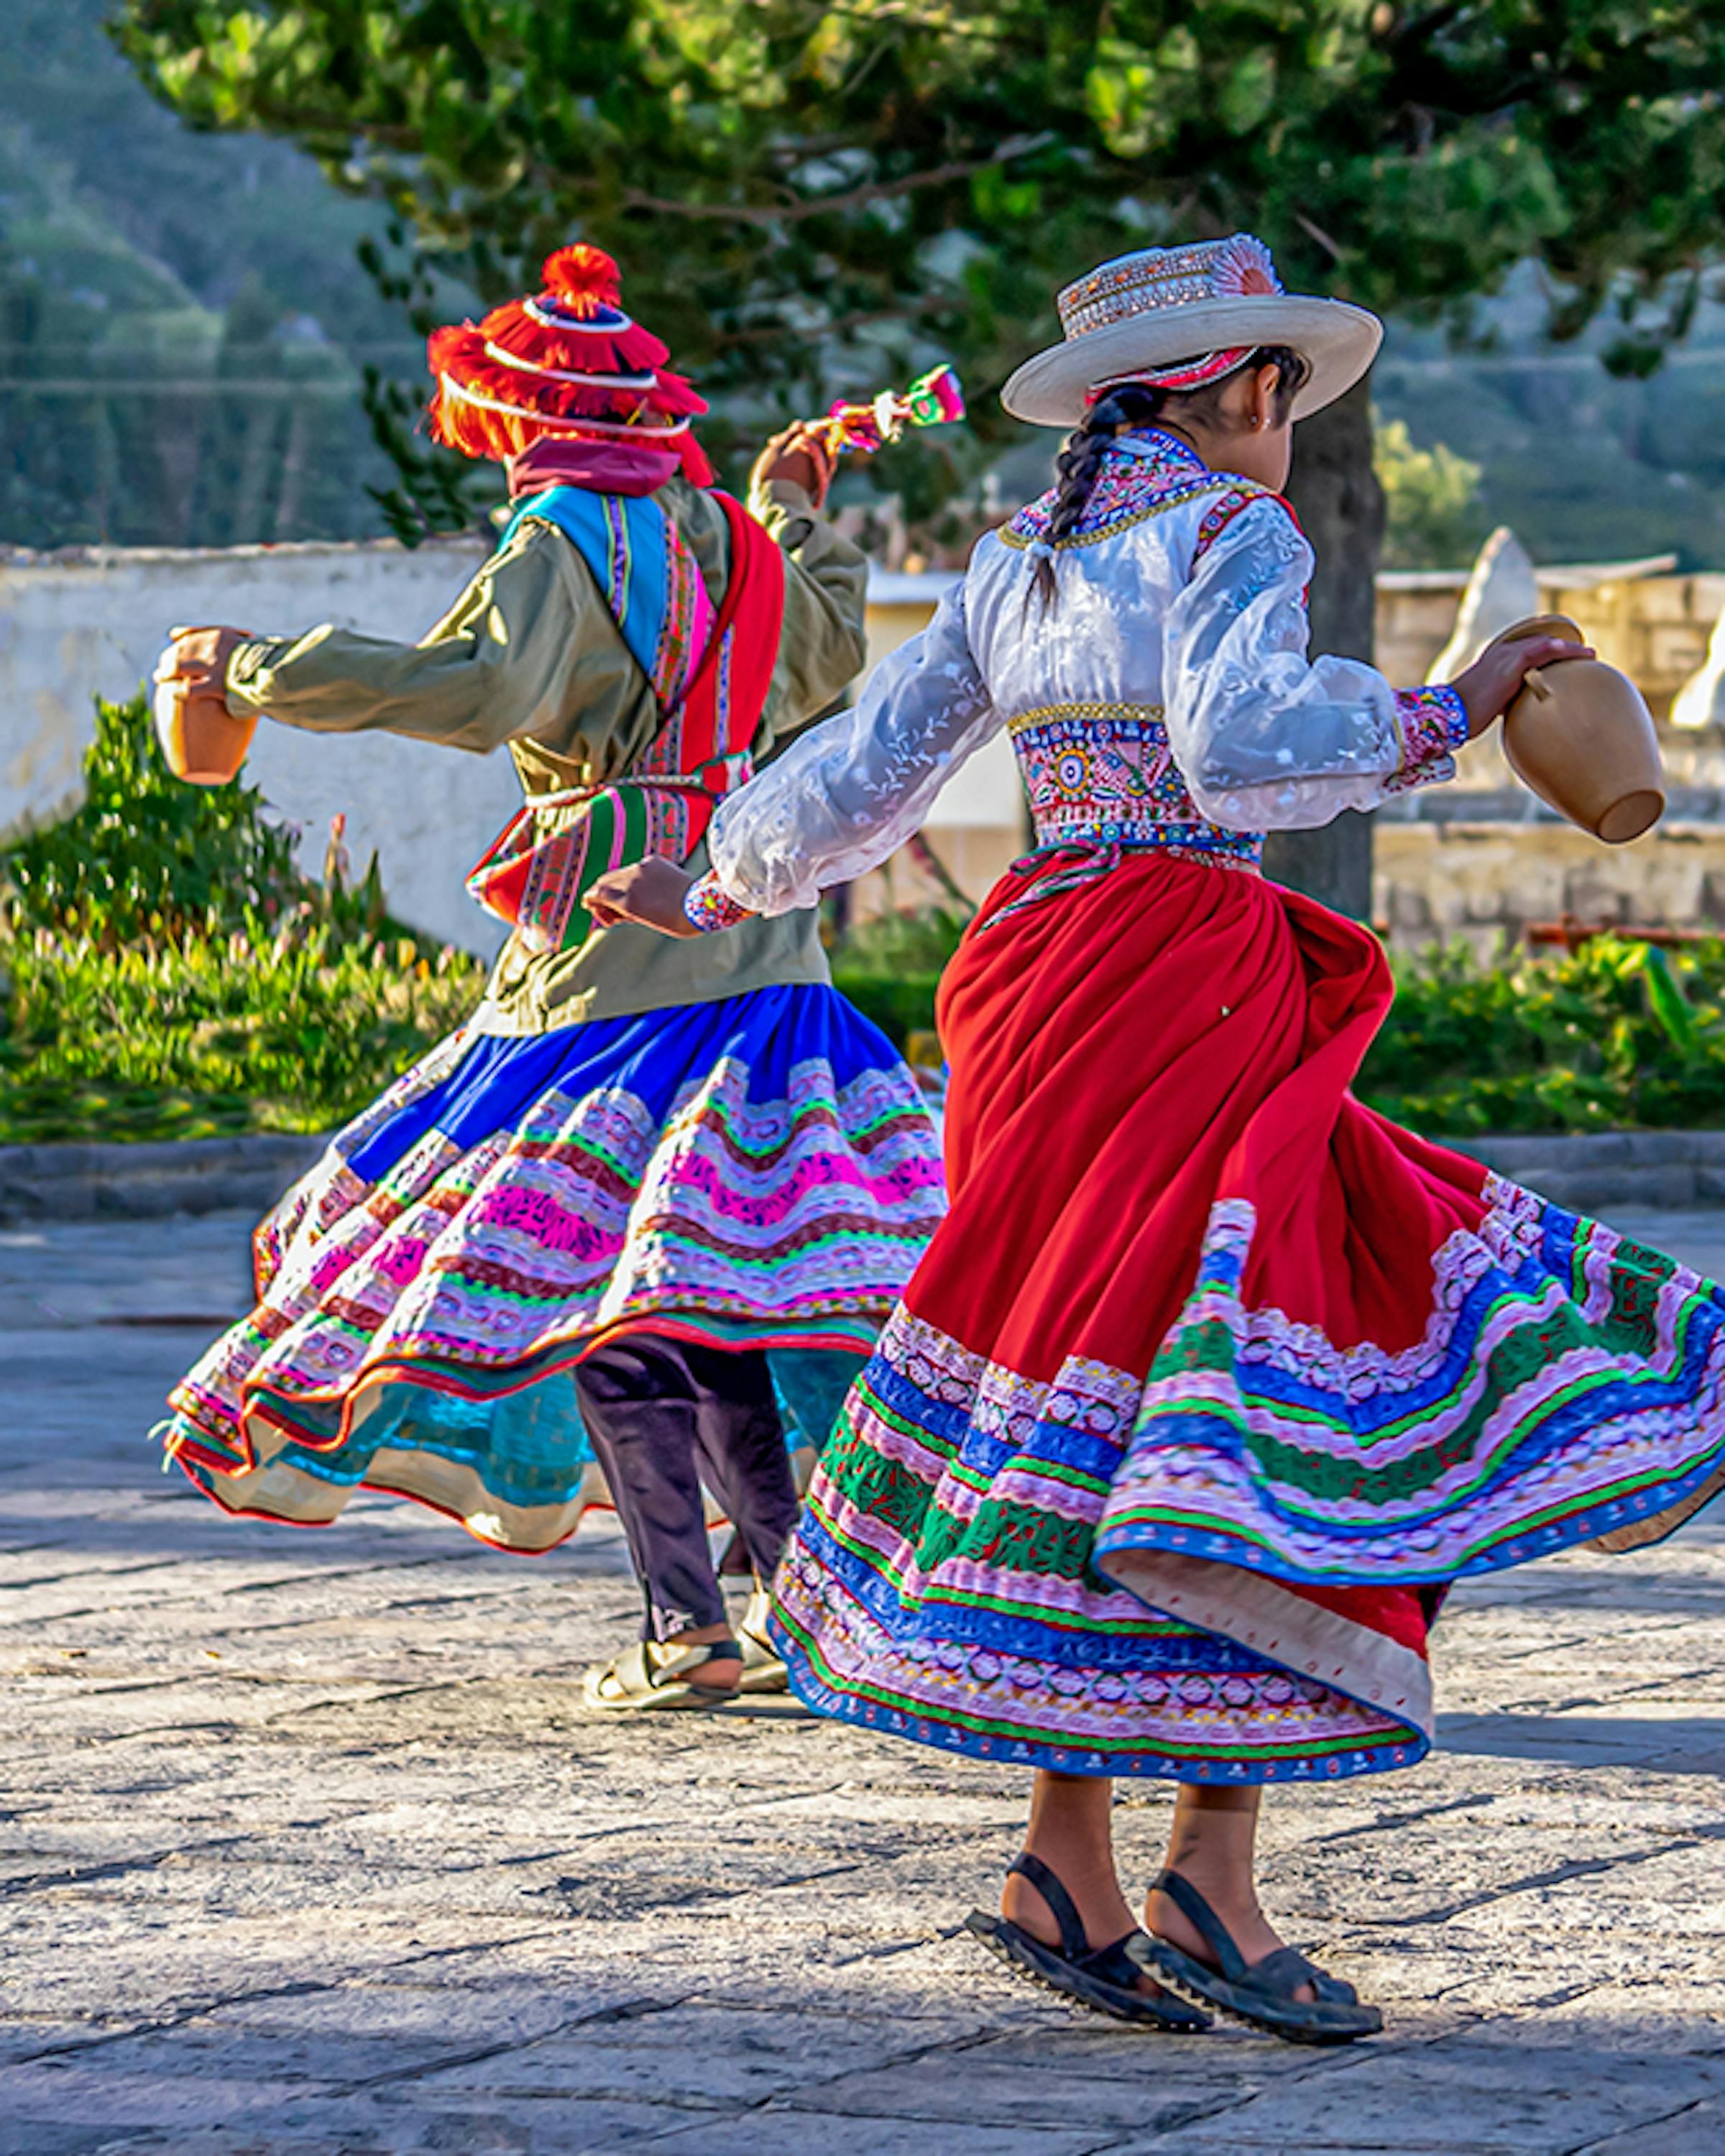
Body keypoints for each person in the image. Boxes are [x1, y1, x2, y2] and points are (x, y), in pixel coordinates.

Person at [589, 233, 1725, 2032]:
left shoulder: (1018, 561)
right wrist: (1455, 702)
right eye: (1278, 383)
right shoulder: (1228, 533)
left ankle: (1089, 1858)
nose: (1288, 413)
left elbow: (864, 769)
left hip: (1036, 982)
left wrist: (713, 868)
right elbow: (1253, 748)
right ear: (1233, 391)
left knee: (1099, 1394)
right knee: (1256, 1394)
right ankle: (1198, 1869)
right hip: (1177, 976)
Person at [155, 245, 945, 1711]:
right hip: (756, 940)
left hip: (602, 967)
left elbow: (476, 692)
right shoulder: (731, 537)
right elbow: (826, 651)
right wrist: (795, 507)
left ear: (525, 421)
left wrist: (260, 670)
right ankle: (797, 1606)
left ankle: (689, 1627)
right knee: (720, 1303)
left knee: (610, 1305)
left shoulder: (561, 541)